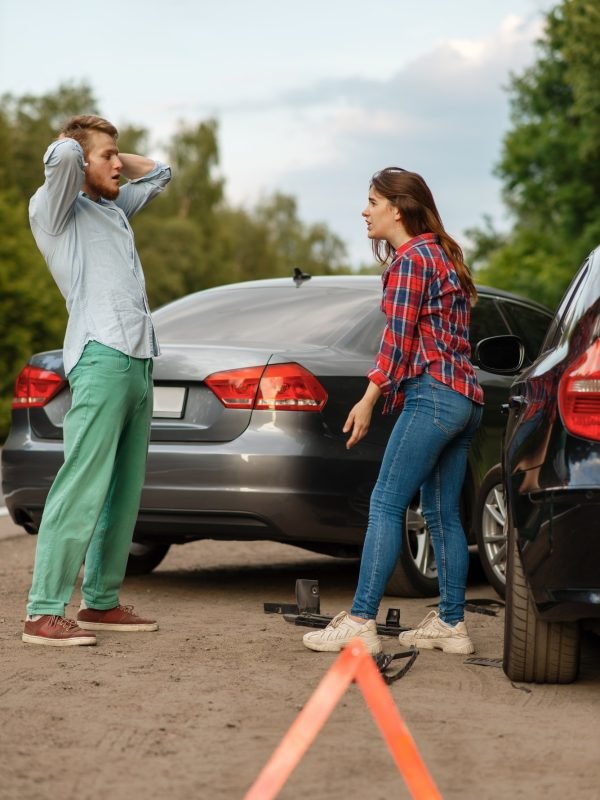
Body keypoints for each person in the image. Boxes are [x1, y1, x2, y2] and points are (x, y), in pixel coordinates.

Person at [303, 167, 484, 656]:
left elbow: (397, 342)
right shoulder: (445, 255)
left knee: (385, 503)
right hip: (465, 399)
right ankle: (451, 625)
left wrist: (367, 399)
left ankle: (361, 620)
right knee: (443, 514)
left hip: (432, 397)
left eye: (372, 201)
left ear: (397, 208)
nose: (365, 211)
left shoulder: (410, 261)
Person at [22, 115, 172, 646]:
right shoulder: (55, 210)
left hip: (138, 361)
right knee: (82, 482)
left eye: (117, 155)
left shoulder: (110, 207)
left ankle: (100, 603)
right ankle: (43, 612)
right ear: (80, 160)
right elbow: (62, 159)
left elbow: (160, 174)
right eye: (106, 155)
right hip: (101, 356)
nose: (117, 163)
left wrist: (112, 157)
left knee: (122, 492)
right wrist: (82, 146)